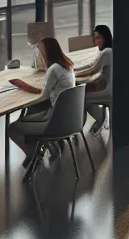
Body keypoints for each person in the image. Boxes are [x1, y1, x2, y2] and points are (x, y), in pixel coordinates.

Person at [5, 36, 77, 165]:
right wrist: (26, 86)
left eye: (40, 51)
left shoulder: (54, 69)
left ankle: (33, 155)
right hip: (71, 119)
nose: (39, 54)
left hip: (55, 121)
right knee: (33, 112)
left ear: (47, 52)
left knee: (14, 127)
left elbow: (44, 96)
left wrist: (23, 86)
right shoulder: (67, 65)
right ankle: (47, 148)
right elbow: (48, 91)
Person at [74, 24, 114, 132]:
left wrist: (74, 74)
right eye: (95, 38)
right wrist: (76, 70)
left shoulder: (107, 52)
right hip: (107, 86)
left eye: (99, 38)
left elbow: (92, 69)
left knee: (79, 97)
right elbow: (92, 66)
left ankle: (97, 120)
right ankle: (99, 118)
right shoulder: (108, 51)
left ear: (105, 38)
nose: (96, 41)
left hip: (107, 90)